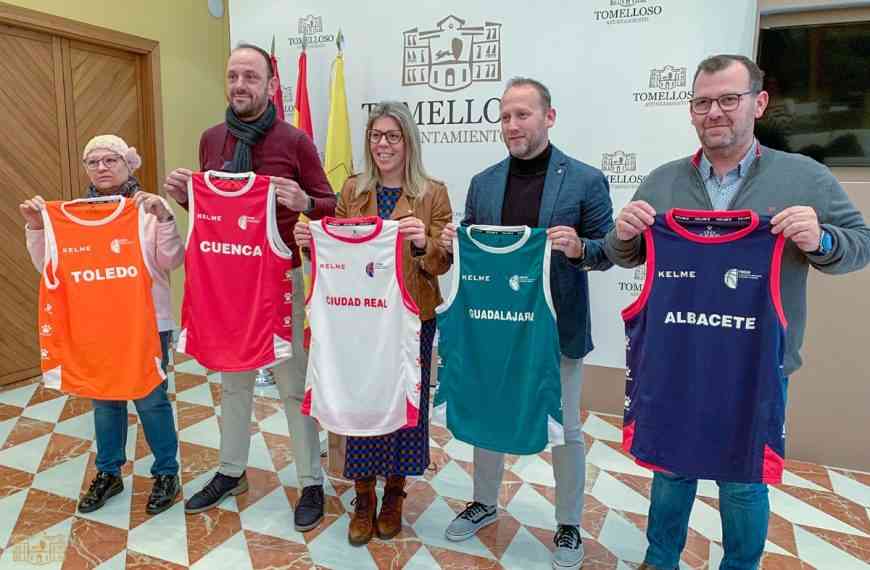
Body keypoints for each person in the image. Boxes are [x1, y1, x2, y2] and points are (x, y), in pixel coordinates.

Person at [604, 54, 870, 570]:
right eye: (703, 102)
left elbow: (860, 245)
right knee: (670, 472)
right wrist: (622, 235)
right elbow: (626, 255)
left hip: (757, 365)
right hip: (678, 358)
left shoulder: (805, 177)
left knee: (744, 482)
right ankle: (660, 562)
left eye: (729, 99)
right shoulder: (661, 180)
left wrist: (822, 239)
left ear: (759, 103)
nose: (715, 112)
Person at [439, 77, 615, 570]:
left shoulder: (583, 179)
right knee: (488, 412)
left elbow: (610, 251)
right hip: (495, 326)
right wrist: (458, 249)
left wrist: (580, 248)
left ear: (548, 117)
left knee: (566, 429)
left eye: (522, 114)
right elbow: (476, 257)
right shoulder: (484, 182)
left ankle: (568, 523)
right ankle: (484, 501)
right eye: (505, 116)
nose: (512, 125)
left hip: (557, 330)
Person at [162, 43, 336, 530]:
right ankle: (231, 471)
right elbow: (214, 218)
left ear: (269, 85)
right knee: (232, 380)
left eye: (251, 78)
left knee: (290, 383)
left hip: (280, 277)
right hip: (226, 281)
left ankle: (310, 480)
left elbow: (330, 203)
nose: (240, 86)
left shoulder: (294, 141)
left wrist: (304, 199)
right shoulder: (211, 139)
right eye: (233, 76)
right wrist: (184, 199)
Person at [294, 101, 452, 545]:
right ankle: (363, 496)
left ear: (408, 142)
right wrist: (310, 244)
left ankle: (396, 493)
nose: (382, 144)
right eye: (376, 136)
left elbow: (443, 262)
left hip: (412, 316)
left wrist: (424, 244)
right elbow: (341, 252)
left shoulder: (432, 193)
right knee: (361, 398)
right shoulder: (352, 190)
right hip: (360, 319)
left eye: (392, 136)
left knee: (406, 405)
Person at [20, 134, 183, 516]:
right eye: (93, 162)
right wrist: (37, 228)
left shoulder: (145, 210)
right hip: (97, 323)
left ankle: (166, 473)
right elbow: (50, 268)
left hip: (147, 322)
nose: (101, 168)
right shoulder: (71, 217)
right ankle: (109, 472)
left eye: (110, 160)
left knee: (151, 400)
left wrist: (165, 219)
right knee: (105, 399)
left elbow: (171, 261)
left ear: (129, 165)